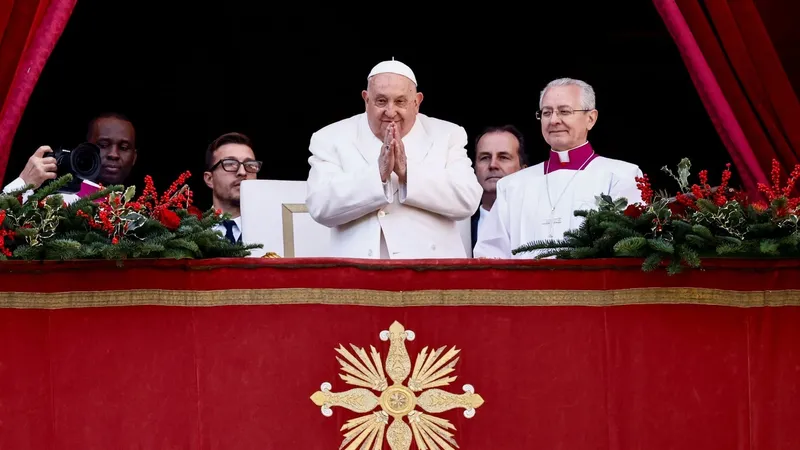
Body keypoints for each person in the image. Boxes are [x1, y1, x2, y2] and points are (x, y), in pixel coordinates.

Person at [305, 58, 482, 259]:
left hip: (432, 271)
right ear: (366, 99)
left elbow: (468, 200)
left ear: (417, 102)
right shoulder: (331, 138)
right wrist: (377, 175)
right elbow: (320, 206)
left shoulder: (447, 134)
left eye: (400, 101)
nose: (390, 111)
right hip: (360, 272)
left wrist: (408, 173)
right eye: (381, 101)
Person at [473, 78, 643, 258]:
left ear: (591, 119)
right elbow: (490, 254)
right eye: (546, 113)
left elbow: (627, 250)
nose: (554, 120)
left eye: (564, 111)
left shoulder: (621, 176)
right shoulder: (512, 185)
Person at [2, 112, 138, 197]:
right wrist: (23, 183)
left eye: (124, 147)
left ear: (134, 158)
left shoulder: (142, 221)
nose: (113, 154)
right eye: (103, 145)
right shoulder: (53, 200)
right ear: (84, 150)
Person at [471, 125, 528, 250]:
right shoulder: (458, 227)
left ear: (524, 170)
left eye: (503, 157)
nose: (492, 165)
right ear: (474, 169)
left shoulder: (536, 223)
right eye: (485, 158)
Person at [203, 132, 261, 243]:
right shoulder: (187, 234)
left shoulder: (276, 231)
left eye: (250, 165)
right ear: (210, 179)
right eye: (230, 163)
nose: (242, 172)